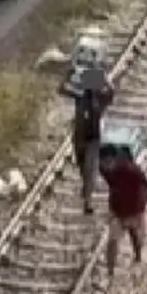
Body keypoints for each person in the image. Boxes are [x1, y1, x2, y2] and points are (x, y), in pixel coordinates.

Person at [63, 58, 114, 213]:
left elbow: (111, 91)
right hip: (79, 134)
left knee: (90, 168)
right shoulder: (80, 96)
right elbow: (62, 89)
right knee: (81, 165)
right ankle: (86, 190)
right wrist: (69, 74)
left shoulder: (101, 98)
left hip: (93, 136)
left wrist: (103, 78)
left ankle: (88, 201)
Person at [101, 146, 147, 285]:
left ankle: (138, 257)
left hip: (134, 210)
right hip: (118, 211)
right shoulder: (105, 170)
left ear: (113, 160)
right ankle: (110, 272)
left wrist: (143, 202)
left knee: (135, 235)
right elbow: (112, 186)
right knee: (112, 241)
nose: (104, 166)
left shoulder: (131, 170)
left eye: (107, 162)